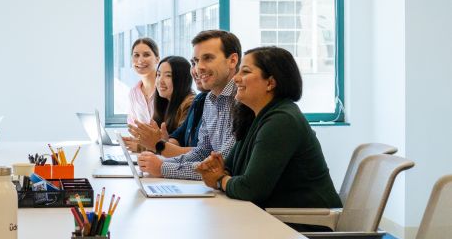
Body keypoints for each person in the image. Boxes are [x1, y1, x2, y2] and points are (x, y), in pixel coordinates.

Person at [195, 46, 341, 209]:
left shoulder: (282, 120)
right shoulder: (253, 116)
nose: (236, 78)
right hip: (275, 218)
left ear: (270, 83)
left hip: (309, 224)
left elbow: (250, 189)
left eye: (245, 71)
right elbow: (231, 169)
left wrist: (219, 180)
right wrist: (218, 170)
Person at [138, 29, 241, 180]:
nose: (199, 68)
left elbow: (224, 164)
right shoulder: (209, 99)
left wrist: (162, 167)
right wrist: (160, 163)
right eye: (196, 61)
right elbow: (202, 152)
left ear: (232, 60)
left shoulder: (242, 99)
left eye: (208, 58)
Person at [124, 56, 194, 155]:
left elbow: (180, 145)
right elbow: (162, 140)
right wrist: (141, 140)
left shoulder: (190, 104)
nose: (160, 81)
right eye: (158, 74)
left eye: (168, 76)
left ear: (181, 79)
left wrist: (142, 147)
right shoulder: (165, 102)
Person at [126, 37, 160, 126]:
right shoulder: (133, 93)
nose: (140, 60)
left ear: (157, 59)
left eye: (146, 55)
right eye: (136, 55)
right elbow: (132, 126)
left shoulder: (166, 88)